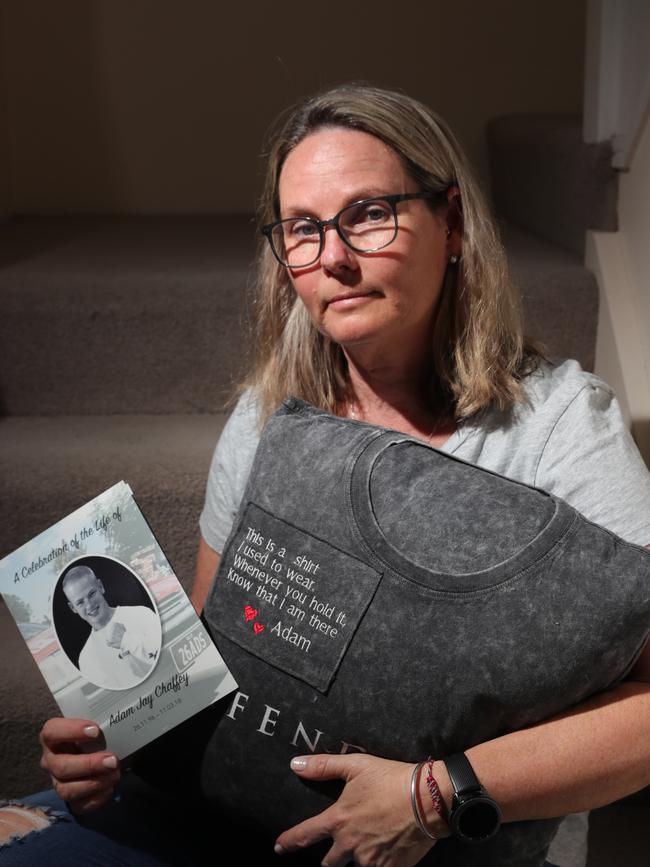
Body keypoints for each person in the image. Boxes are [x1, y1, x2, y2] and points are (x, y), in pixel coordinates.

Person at [4, 84, 650, 867]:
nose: (334, 258)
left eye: (370, 213)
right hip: (232, 816)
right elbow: (224, 659)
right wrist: (118, 739)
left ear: (451, 222)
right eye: (302, 230)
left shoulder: (559, 427)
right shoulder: (269, 413)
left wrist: (431, 796)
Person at [62, 565, 161, 690]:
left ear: (101, 587)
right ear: (73, 608)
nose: (89, 605)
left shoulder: (141, 614)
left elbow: (164, 657)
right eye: (80, 602)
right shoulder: (86, 659)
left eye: (92, 594)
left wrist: (127, 640)